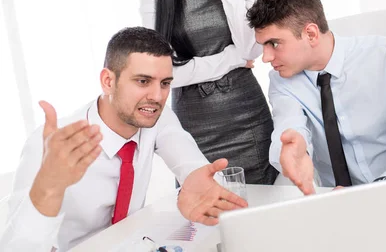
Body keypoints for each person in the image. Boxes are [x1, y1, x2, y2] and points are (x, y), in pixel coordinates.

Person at [0, 27, 248, 251]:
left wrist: (195, 178)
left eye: (165, 83)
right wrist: (49, 189)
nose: (157, 96)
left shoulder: (155, 118)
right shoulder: (52, 145)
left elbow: (187, 160)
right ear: (108, 81)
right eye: (143, 81)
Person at [245, 0, 386, 195]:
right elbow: (289, 127)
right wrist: (295, 150)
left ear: (310, 34)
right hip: (337, 199)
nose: (266, 57)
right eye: (263, 46)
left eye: (274, 43)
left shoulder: (385, 55)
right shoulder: (282, 80)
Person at [140, 0, 277, 185]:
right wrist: (231, 59)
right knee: (206, 217)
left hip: (249, 118)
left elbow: (251, 49)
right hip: (193, 128)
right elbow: (165, 73)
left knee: (266, 208)